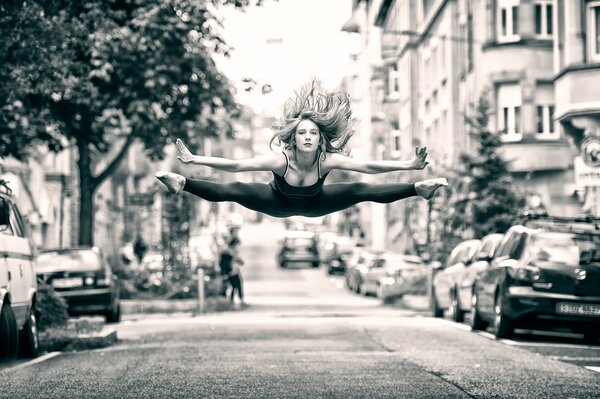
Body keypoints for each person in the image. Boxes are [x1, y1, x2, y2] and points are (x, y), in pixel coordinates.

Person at [155, 80, 448, 217]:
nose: (307, 137)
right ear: (293, 138)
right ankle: (182, 183)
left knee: (360, 190)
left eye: (313, 133)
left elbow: (368, 168)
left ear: (321, 139)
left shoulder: (327, 159)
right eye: (302, 133)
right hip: (275, 203)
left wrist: (409, 166)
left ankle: (419, 189)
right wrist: (194, 159)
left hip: (317, 204)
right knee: (237, 188)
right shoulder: (280, 160)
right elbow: (236, 165)